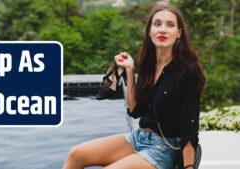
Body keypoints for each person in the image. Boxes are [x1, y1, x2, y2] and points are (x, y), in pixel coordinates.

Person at [62, 2, 205, 169]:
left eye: (170, 25)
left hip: (165, 148)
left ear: (178, 33)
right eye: (157, 24)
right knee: (76, 155)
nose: (163, 29)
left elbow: (190, 128)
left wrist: (188, 167)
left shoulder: (188, 71)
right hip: (139, 137)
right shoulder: (149, 65)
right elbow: (136, 111)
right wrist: (130, 71)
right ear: (149, 31)